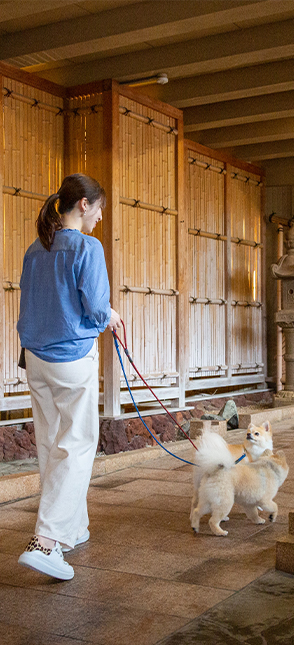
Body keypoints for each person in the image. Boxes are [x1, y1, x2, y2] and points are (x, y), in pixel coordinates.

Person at [17, 173, 120, 580]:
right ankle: (46, 541)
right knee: (76, 447)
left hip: (35, 358)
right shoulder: (87, 248)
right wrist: (111, 315)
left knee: (51, 445)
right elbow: (95, 307)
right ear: (83, 205)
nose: (99, 219)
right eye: (98, 210)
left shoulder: (34, 249)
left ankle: (72, 528)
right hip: (71, 359)